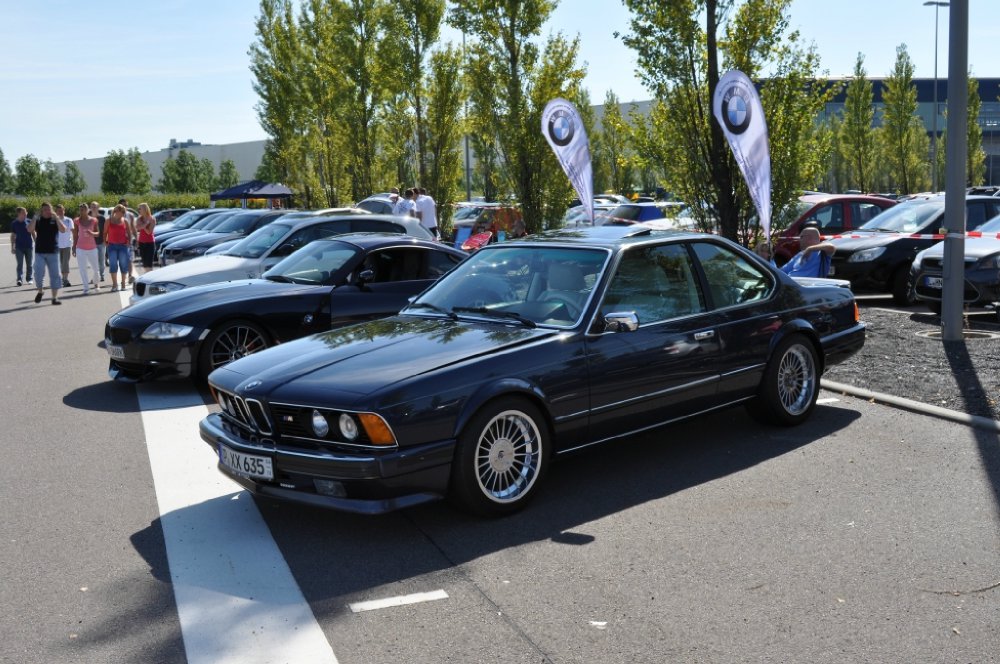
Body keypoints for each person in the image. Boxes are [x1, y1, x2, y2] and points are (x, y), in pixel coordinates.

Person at [28, 202, 66, 304]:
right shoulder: (38, 220)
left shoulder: (54, 220)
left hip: (53, 251)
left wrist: (57, 218)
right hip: (40, 252)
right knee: (38, 274)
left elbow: (63, 230)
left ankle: (54, 298)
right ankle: (40, 291)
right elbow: (29, 229)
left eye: (49, 209)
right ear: (41, 211)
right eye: (45, 209)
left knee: (55, 275)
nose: (47, 211)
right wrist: (34, 218)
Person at [72, 203, 101, 294]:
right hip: (80, 248)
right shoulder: (76, 221)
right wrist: (74, 247)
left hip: (92, 248)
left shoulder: (94, 220)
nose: (82, 211)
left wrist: (92, 233)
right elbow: (75, 235)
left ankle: (96, 283)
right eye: (80, 209)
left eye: (84, 209)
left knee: (96, 269)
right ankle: (86, 287)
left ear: (88, 210)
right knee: (82, 268)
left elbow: (98, 233)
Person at [104, 205, 131, 291]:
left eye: (124, 212)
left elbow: (129, 233)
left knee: (123, 265)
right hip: (112, 246)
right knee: (113, 265)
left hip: (123, 246)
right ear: (116, 211)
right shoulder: (109, 220)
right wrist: (105, 242)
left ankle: (123, 284)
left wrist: (129, 242)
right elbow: (104, 232)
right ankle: (115, 285)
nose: (123, 214)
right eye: (122, 212)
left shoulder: (125, 221)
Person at [10, 207, 34, 286]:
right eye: (23, 212)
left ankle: (29, 278)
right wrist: (12, 246)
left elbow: (33, 233)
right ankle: (19, 279)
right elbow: (13, 235)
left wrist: (37, 242)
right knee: (20, 264)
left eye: (26, 212)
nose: (25, 213)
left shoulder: (29, 221)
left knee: (29, 264)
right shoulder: (14, 223)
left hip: (29, 246)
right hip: (19, 247)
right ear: (19, 213)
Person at [55, 204, 74, 287]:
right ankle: (60, 278)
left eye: (61, 210)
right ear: (56, 212)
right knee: (59, 263)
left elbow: (73, 231)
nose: (60, 212)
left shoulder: (69, 220)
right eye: (58, 211)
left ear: (64, 210)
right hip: (56, 245)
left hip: (67, 245)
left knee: (65, 263)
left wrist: (75, 244)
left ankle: (65, 279)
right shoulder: (53, 221)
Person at [119, 198, 137, 285]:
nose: (125, 207)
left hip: (128, 240)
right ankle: (123, 275)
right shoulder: (115, 215)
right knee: (122, 259)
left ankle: (130, 275)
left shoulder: (130, 215)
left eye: (126, 205)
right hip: (118, 241)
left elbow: (133, 228)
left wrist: (136, 238)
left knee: (129, 258)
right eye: (123, 205)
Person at [134, 203, 156, 273]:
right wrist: (145, 224)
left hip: (150, 242)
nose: (139, 210)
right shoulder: (139, 218)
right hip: (141, 242)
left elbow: (149, 232)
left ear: (144, 209)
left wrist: (143, 226)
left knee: (149, 262)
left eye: (140, 208)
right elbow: (137, 227)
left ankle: (149, 275)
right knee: (144, 262)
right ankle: (147, 274)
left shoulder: (152, 218)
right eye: (139, 209)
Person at [88, 201, 106, 283]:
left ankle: (101, 275)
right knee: (93, 261)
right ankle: (95, 276)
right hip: (91, 243)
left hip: (101, 242)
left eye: (95, 206)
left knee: (101, 260)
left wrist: (106, 240)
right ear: (90, 208)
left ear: (98, 207)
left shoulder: (102, 218)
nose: (94, 207)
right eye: (92, 206)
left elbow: (106, 230)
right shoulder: (87, 218)